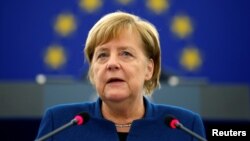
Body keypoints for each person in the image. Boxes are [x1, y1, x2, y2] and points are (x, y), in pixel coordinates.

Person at [36, 11, 206, 141]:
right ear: (93, 71)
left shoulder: (184, 127)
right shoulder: (59, 123)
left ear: (149, 69)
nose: (112, 64)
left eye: (125, 53)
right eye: (102, 55)